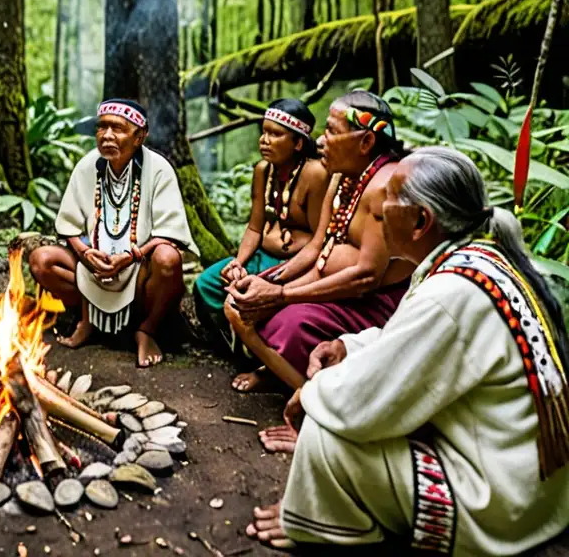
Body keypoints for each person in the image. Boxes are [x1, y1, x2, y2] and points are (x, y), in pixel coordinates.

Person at [246, 147, 569, 554]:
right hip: (534, 485)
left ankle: (320, 527)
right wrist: (349, 346)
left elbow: (362, 404)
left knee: (327, 436)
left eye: (391, 195)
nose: (378, 202)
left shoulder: (452, 291)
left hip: (503, 504)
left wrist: (311, 394)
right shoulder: (479, 260)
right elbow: (407, 341)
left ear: (420, 221)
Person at [225, 90, 411, 406]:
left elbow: (366, 278)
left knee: (287, 322)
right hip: (327, 281)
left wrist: (282, 295)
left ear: (365, 142)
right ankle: (282, 375)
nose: (320, 141)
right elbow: (316, 248)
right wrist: (270, 283)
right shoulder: (342, 176)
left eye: (331, 132)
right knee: (237, 302)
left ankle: (314, 404)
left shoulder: (385, 186)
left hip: (372, 301)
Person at [30, 99, 198, 368]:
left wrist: (132, 257)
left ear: (139, 136)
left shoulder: (159, 169)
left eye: (117, 128)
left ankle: (146, 330)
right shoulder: (88, 166)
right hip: (92, 266)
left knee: (168, 259)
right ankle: (89, 321)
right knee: (42, 260)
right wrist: (85, 254)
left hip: (138, 271)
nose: (107, 135)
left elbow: (170, 233)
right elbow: (69, 227)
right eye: (102, 127)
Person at [192, 99, 328, 357]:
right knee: (205, 284)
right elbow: (255, 228)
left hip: (294, 266)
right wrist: (238, 263)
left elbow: (317, 239)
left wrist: (282, 274)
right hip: (257, 259)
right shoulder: (262, 171)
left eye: (275, 134)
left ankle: (259, 357)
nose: (264, 140)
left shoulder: (315, 175)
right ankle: (233, 347)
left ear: (298, 143)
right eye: (263, 132)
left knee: (250, 299)